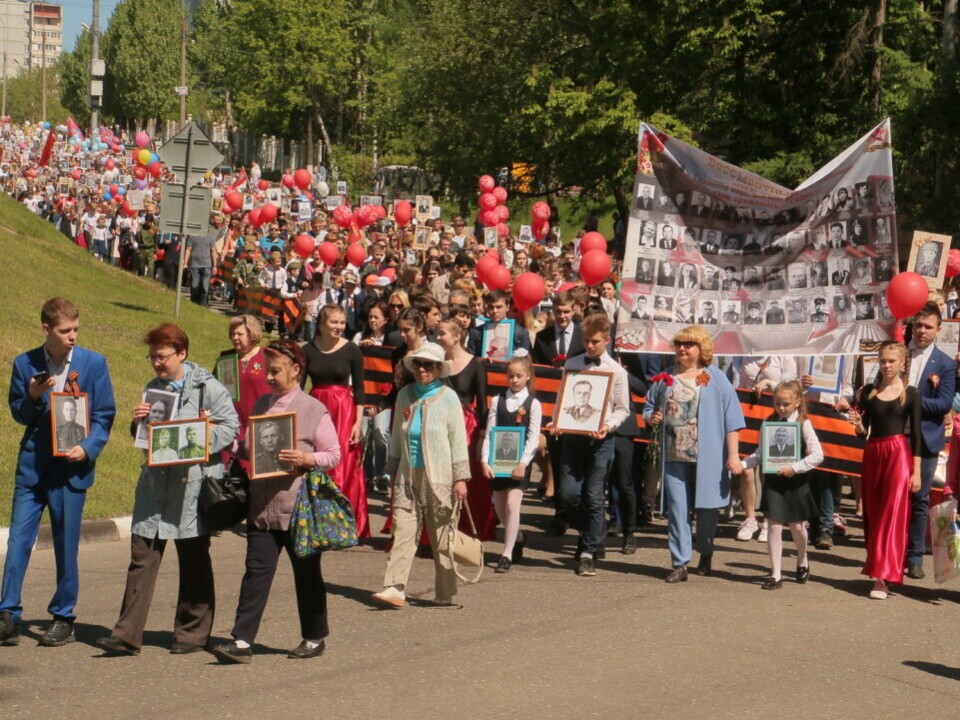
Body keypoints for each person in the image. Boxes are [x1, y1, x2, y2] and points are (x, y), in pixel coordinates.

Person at [96, 323, 238, 656]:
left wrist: (196, 439)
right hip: (154, 487)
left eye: (162, 357)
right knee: (141, 558)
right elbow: (146, 438)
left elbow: (231, 426)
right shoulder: (153, 388)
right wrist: (138, 421)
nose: (157, 363)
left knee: (194, 561)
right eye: (152, 357)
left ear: (182, 353)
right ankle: (126, 635)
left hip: (190, 488)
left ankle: (192, 634)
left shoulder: (208, 388)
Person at [213, 340, 341, 663]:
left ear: (296, 370)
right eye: (267, 369)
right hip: (262, 506)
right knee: (255, 572)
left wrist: (307, 458)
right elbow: (249, 449)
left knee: (307, 574)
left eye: (275, 370)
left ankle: (314, 638)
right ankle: (241, 641)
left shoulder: (314, 410)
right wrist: (224, 437)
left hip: (299, 509)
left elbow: (334, 455)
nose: (268, 376)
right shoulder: (262, 406)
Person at [0, 298, 117, 648]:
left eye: (76, 329)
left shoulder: (93, 364)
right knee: (18, 540)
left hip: (70, 468)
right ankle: (8, 614)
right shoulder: (25, 363)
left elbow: (104, 416)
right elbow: (19, 413)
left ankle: (63, 617)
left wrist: (90, 446)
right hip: (34, 468)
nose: (72, 336)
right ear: (47, 329)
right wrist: (33, 396)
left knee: (66, 545)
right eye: (65, 331)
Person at [372, 343, 470, 608]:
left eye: (429, 365)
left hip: (440, 476)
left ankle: (445, 591)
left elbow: (458, 440)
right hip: (408, 474)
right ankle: (394, 587)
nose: (422, 369)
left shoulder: (448, 398)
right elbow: (395, 433)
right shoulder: (404, 394)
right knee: (403, 529)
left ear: (439, 369)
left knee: (441, 538)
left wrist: (460, 478)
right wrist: (392, 469)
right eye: (418, 364)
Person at [644, 326, 745, 582]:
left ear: (701, 349)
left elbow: (732, 419)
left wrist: (733, 455)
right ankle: (679, 563)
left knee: (708, 510)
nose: (682, 348)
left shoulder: (715, 377)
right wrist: (652, 417)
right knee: (678, 510)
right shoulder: (665, 378)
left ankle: (706, 551)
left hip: (708, 458)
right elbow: (649, 408)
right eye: (679, 344)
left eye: (688, 344)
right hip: (674, 456)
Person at [551, 312, 630, 577]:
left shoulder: (617, 371)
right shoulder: (573, 363)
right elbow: (563, 400)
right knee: (568, 493)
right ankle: (592, 532)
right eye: (586, 340)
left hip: (601, 441)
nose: (590, 346)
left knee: (594, 497)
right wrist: (557, 422)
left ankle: (586, 553)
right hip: (574, 438)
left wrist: (608, 425)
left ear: (606, 340)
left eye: (595, 341)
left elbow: (623, 409)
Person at [847, 341, 921, 599]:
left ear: (902, 363)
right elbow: (863, 432)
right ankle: (879, 566)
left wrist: (917, 471)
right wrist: (857, 424)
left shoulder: (911, 393)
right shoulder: (868, 391)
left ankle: (882, 578)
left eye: (891, 361)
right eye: (883, 361)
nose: (887, 365)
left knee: (893, 515)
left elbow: (918, 436)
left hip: (899, 454)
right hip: (873, 453)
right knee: (875, 514)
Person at [742, 381, 823, 589]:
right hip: (775, 481)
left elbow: (818, 455)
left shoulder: (804, 423)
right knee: (774, 526)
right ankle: (776, 573)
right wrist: (744, 463)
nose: (781, 408)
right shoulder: (768, 422)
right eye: (777, 403)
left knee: (797, 527)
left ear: (797, 402)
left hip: (796, 481)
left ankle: (802, 558)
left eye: (786, 404)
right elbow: (760, 453)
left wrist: (795, 468)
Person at [303, 304, 370, 538]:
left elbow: (360, 389)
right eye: (334, 322)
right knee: (317, 461)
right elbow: (299, 388)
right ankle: (320, 520)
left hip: (344, 410)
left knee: (345, 464)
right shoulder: (308, 350)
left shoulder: (352, 350)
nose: (339, 327)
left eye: (342, 323)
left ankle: (347, 523)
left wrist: (358, 423)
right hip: (317, 408)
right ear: (321, 323)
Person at [902, 303, 956, 579]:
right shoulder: (898, 355)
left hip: (925, 440)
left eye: (928, 326)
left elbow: (944, 403)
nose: (921, 331)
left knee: (919, 499)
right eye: (918, 325)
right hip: (895, 437)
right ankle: (890, 553)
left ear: (938, 330)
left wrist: (911, 401)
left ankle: (914, 558)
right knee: (893, 498)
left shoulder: (945, 364)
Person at [481, 356, 542, 573]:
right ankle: (518, 537)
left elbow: (534, 437)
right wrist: (484, 459)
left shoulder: (533, 404)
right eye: (511, 376)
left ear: (527, 376)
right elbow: (490, 432)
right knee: (499, 507)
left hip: (519, 462)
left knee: (512, 504)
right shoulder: (497, 400)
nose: (514, 380)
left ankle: (506, 553)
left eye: (519, 376)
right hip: (499, 461)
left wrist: (523, 463)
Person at [219, 315, 273, 471]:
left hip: (258, 419)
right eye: (232, 334)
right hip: (232, 420)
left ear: (252, 334)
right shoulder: (226, 358)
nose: (235, 338)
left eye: (239, 334)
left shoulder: (267, 356)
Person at [184, 231, 216, 307]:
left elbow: (213, 251)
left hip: (207, 265)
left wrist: (214, 265)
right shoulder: (193, 236)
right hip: (195, 265)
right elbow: (188, 250)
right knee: (195, 285)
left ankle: (203, 303)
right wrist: (185, 263)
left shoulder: (211, 236)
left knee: (205, 286)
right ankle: (194, 302)